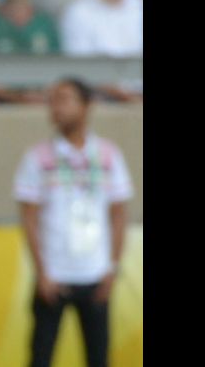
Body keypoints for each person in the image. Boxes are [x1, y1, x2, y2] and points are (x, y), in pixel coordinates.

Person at [14, 77, 133, 367]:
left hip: (96, 275)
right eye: (52, 100)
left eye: (65, 99)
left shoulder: (108, 155)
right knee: (40, 356)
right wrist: (42, 272)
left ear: (88, 105)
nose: (56, 107)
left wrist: (111, 269)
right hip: (53, 277)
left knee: (98, 357)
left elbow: (119, 215)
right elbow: (28, 219)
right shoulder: (37, 158)